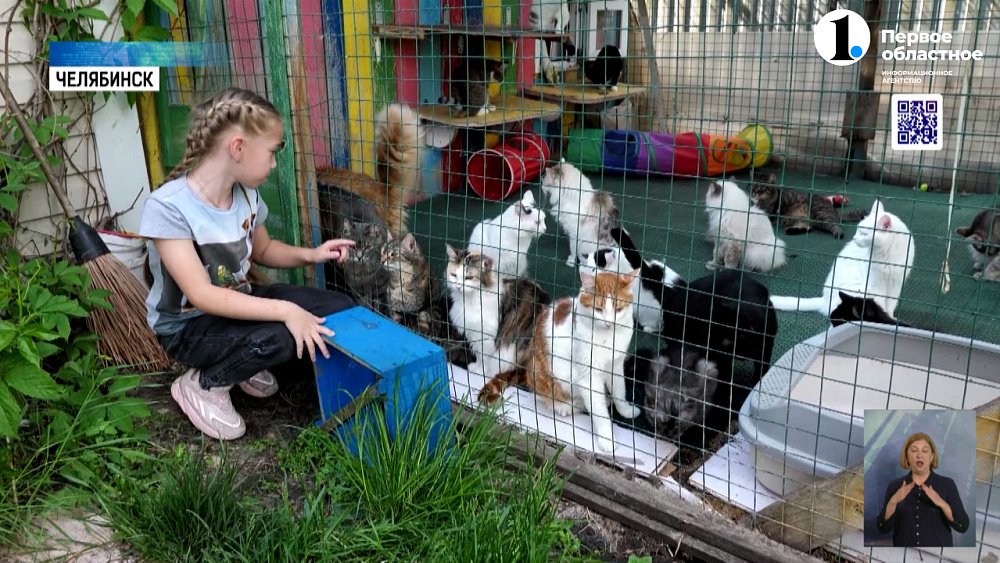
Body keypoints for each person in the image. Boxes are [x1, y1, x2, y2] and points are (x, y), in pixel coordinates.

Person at [140, 87, 356, 441]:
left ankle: (241, 359)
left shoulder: (246, 195)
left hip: (236, 304)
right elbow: (202, 295)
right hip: (188, 328)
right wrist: (285, 310)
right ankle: (205, 384)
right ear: (238, 147)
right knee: (281, 335)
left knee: (338, 307)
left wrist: (313, 254)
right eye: (272, 152)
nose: (274, 164)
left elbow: (264, 250)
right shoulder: (169, 207)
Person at [876, 432, 970, 547]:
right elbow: (882, 528)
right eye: (914, 451)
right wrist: (893, 502)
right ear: (906, 457)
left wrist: (941, 503)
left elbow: (963, 525)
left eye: (925, 451)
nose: (919, 455)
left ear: (931, 457)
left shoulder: (947, 484)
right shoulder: (895, 485)